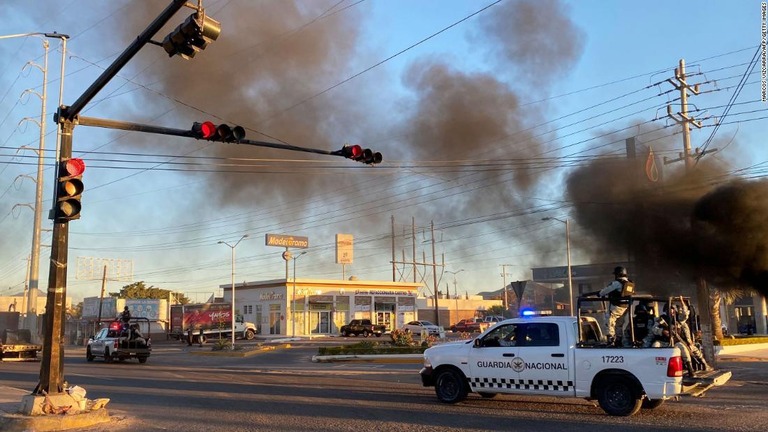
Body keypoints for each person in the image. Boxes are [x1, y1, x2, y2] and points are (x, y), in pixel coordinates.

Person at [649, 301, 713, 376]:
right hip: (664, 342)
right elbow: (653, 329)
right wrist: (662, 331)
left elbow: (685, 315)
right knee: (655, 346)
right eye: (669, 309)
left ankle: (691, 369)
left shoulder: (679, 319)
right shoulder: (661, 319)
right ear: (666, 310)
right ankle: (654, 369)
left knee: (684, 349)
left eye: (673, 309)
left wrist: (682, 303)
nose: (671, 311)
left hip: (676, 342)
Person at [599, 266, 631, 346]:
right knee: (619, 324)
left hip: (616, 307)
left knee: (609, 322)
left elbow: (603, 292)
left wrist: (599, 293)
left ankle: (611, 340)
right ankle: (619, 340)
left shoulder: (617, 283)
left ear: (617, 274)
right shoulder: (629, 283)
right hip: (625, 308)